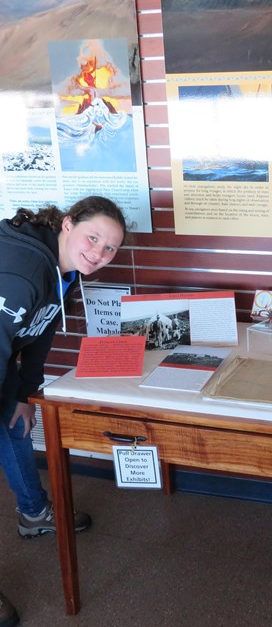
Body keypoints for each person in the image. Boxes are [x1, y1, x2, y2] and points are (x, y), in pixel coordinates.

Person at [0, 196, 126, 627]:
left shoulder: (62, 270)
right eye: (94, 238)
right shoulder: (21, 273)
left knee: (15, 426)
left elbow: (39, 334)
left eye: (110, 248)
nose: (99, 253)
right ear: (68, 224)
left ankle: (34, 514)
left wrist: (24, 394)